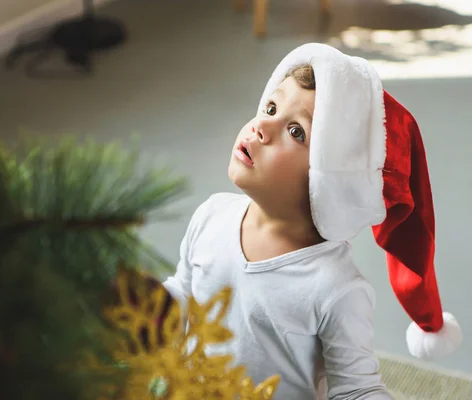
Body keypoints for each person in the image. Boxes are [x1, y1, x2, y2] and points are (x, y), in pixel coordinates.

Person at [162, 43, 462, 399]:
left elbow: (356, 390)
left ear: (330, 182)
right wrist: (152, 303)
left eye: (296, 131)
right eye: (271, 107)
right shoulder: (211, 216)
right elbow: (184, 291)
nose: (262, 125)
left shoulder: (336, 288)